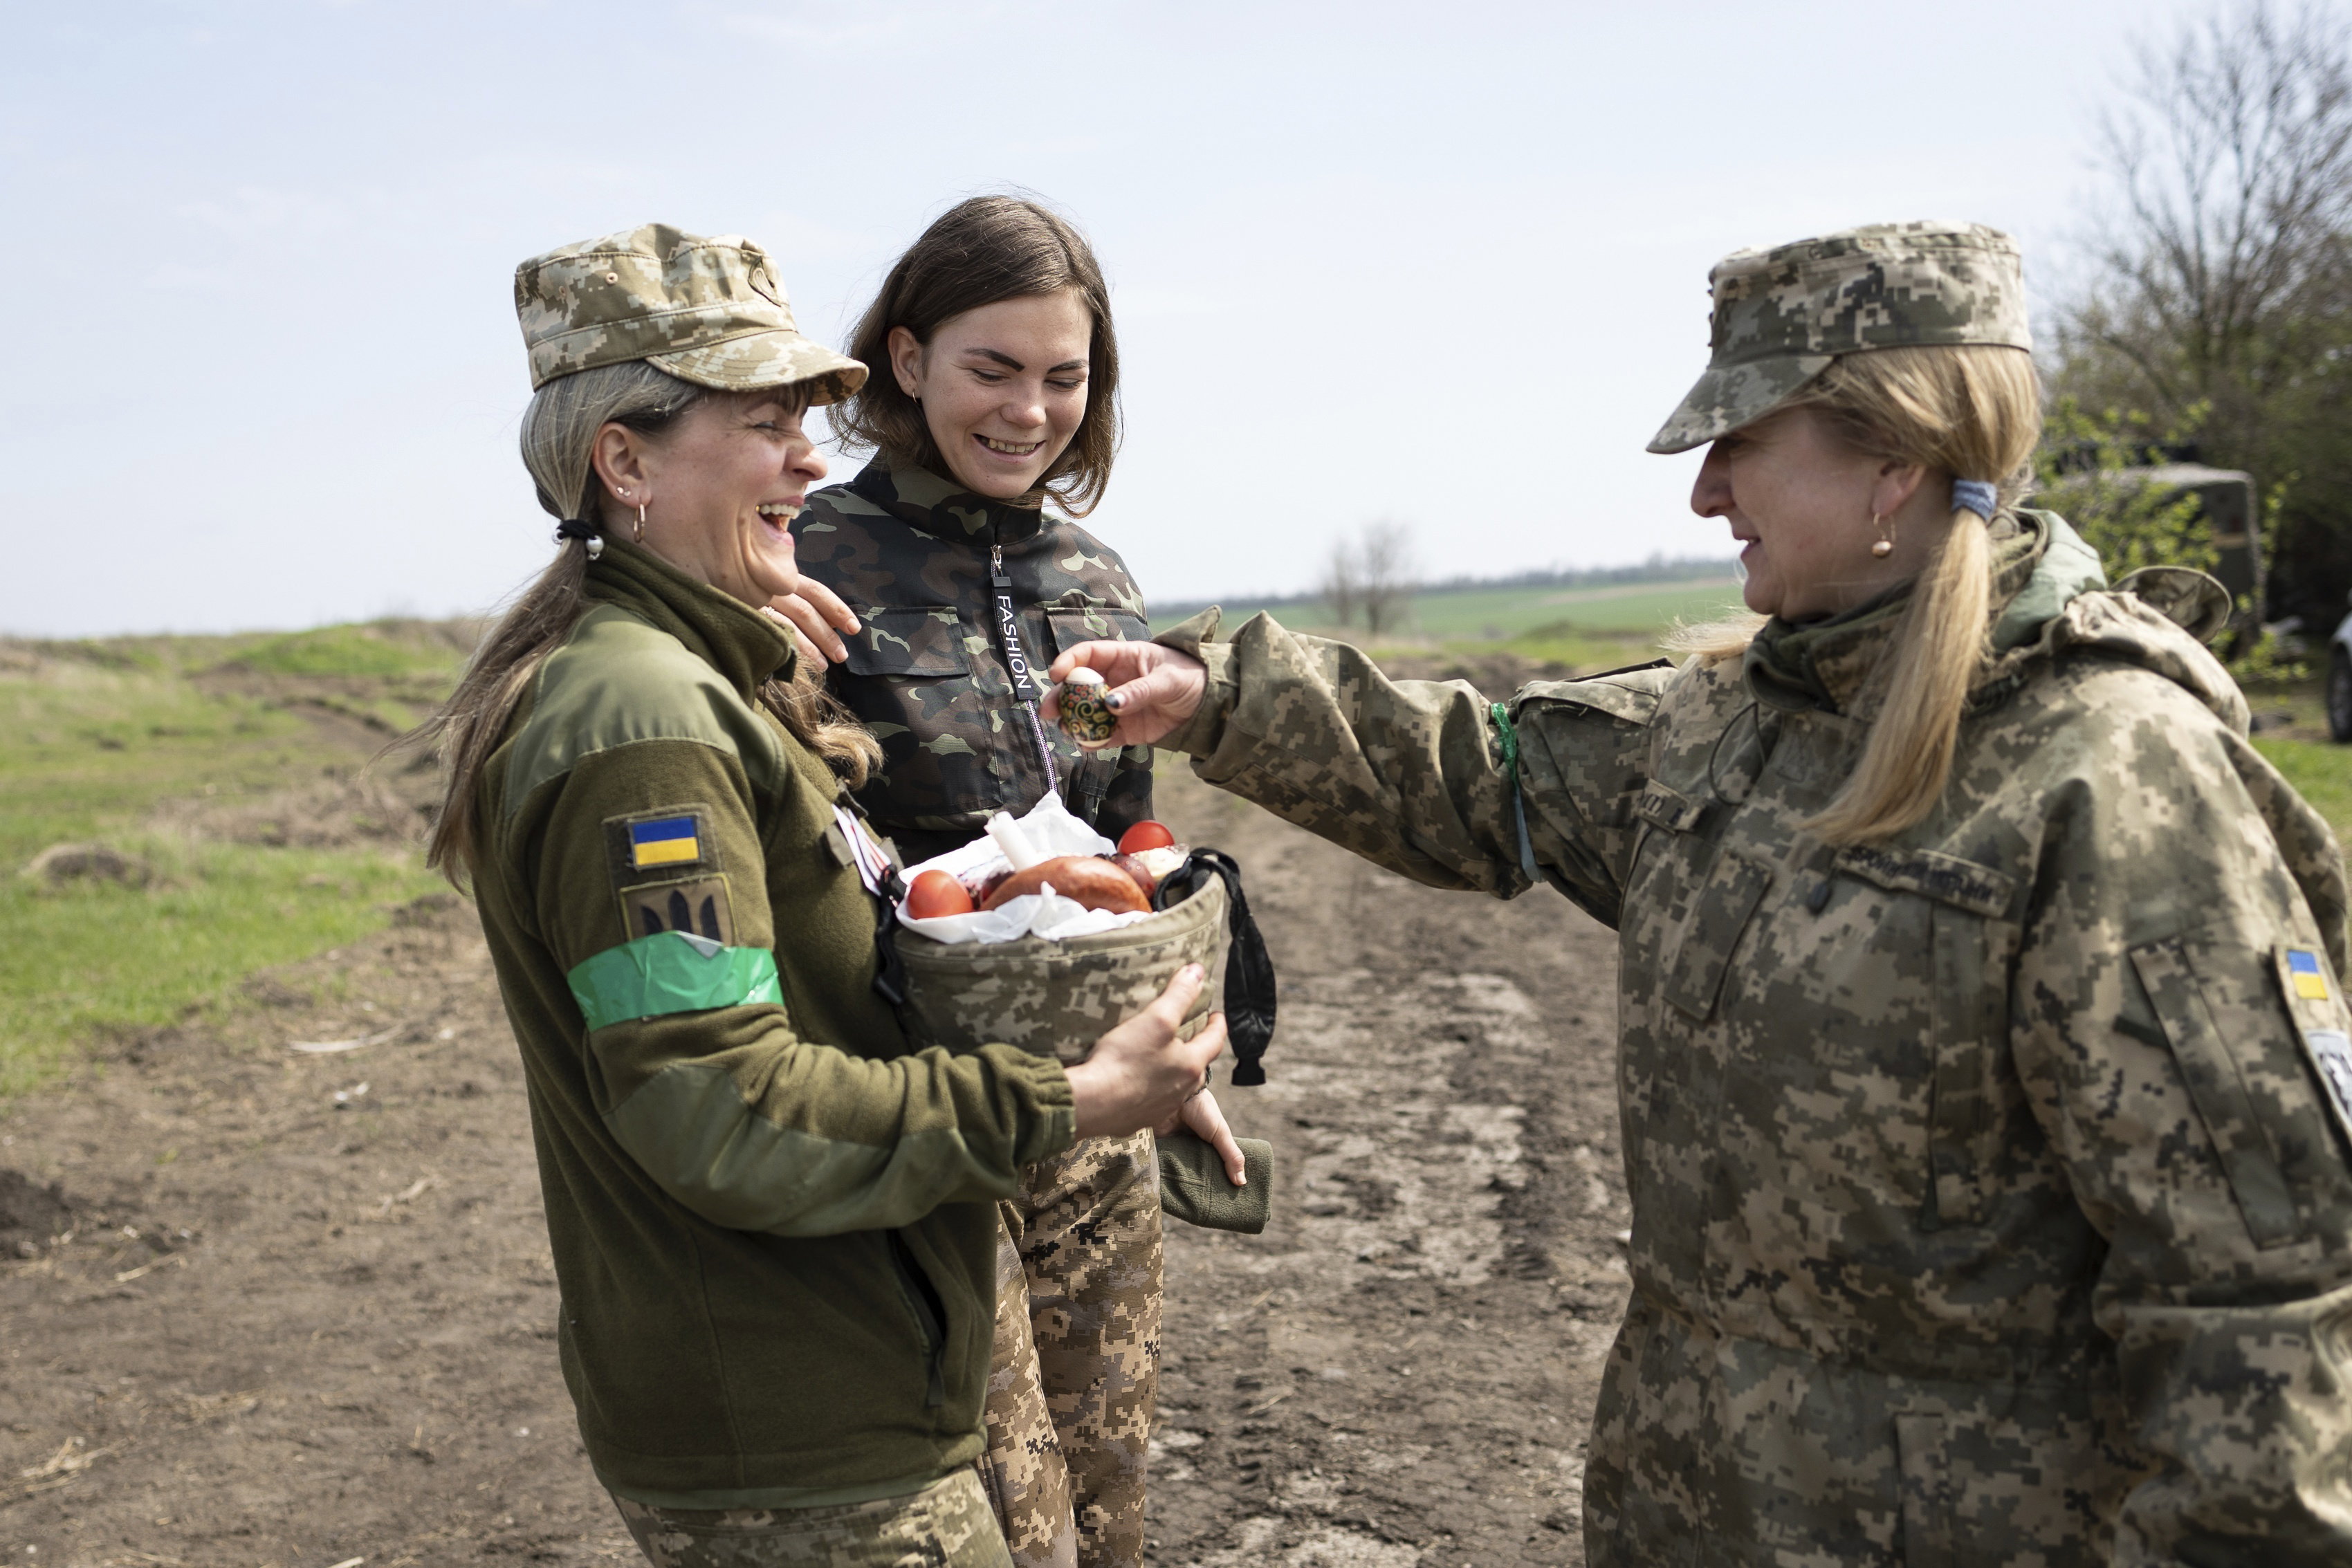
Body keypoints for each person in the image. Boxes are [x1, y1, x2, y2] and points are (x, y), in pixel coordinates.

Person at [1047, 221, 2352, 1564]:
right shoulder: (1736, 721)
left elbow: (2256, 1313)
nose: (1702, 495)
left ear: (1893, 459)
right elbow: (1484, 772)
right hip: (1685, 1508)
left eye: (1739, 444)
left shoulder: (2112, 783)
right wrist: (1219, 697)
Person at [409, 222, 1226, 1568]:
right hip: (824, 1366)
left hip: (894, 1256)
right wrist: (1058, 1100)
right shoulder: (653, 715)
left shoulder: (706, 663)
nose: (807, 454)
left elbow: (1089, 831)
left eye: (805, 417)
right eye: (767, 421)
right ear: (622, 460)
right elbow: (717, 1101)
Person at [788, 195, 1239, 1568]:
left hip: (1099, 1117)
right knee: (996, 1512)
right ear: (907, 359)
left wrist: (1180, 1031)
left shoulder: (1093, 575)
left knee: (1108, 1492)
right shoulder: (807, 559)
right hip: (929, 1120)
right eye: (993, 368)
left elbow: (1131, 830)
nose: (1028, 411)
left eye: (1063, 377)